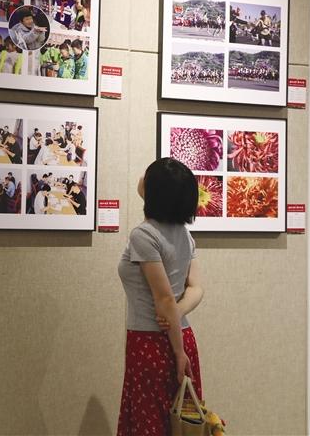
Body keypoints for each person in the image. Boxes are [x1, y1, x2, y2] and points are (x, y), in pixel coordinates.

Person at [116, 158, 205, 435]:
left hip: (152, 342)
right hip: (182, 336)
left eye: (147, 176)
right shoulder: (183, 234)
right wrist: (177, 315)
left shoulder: (144, 235)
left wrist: (178, 352)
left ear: (155, 192)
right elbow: (196, 289)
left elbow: (164, 299)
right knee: (179, 424)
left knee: (151, 423)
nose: (141, 178)